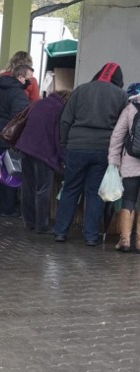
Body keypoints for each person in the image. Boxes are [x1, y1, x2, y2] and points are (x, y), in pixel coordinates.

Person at [54, 62, 128, 245]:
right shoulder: (120, 95)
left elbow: (65, 120)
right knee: (95, 193)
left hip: (76, 148)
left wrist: (65, 143)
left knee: (70, 189)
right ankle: (91, 236)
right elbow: (122, 128)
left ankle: (61, 232)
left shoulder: (81, 90)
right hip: (104, 149)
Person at [17, 90, 71, 233]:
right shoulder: (59, 109)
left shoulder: (38, 103)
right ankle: (42, 225)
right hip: (44, 153)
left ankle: (29, 222)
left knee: (28, 187)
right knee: (42, 190)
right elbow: (59, 137)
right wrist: (64, 158)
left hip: (25, 148)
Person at [0, 64, 32, 217]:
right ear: (20, 77)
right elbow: (19, 119)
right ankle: (7, 207)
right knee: (9, 170)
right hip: (8, 137)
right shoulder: (18, 94)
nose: (30, 83)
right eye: (28, 79)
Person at [107, 85, 140, 251]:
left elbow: (117, 136)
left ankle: (125, 240)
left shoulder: (131, 107)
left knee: (129, 199)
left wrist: (114, 161)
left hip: (131, 162)